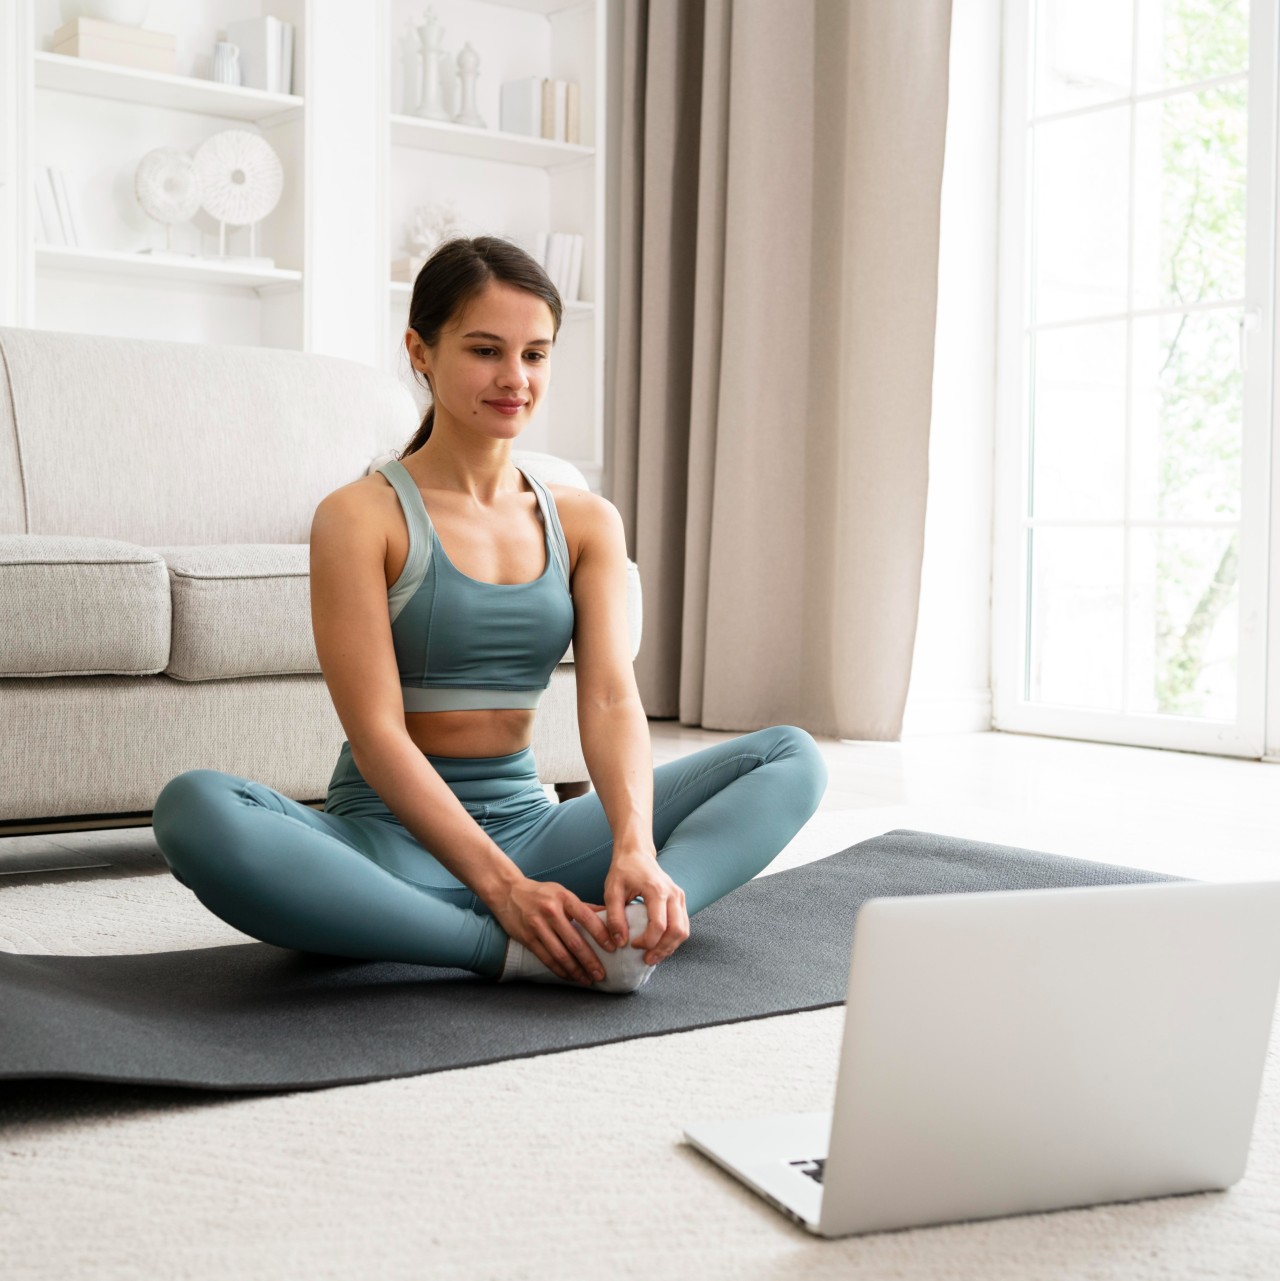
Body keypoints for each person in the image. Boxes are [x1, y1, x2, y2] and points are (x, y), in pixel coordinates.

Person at [151, 235, 829, 994]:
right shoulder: (358, 515)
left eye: (535, 355)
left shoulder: (585, 521)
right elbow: (376, 735)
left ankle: (629, 930)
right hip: (388, 847)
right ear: (422, 351)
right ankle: (503, 945)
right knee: (194, 808)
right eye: (485, 350)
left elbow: (609, 696)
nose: (515, 378)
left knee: (789, 756)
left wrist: (634, 845)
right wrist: (503, 890)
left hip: (536, 832)